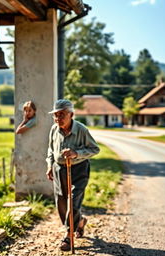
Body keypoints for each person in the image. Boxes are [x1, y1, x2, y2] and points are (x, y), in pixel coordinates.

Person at [46, 99, 100, 251]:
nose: (58, 119)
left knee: (74, 202)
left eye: (61, 115)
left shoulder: (81, 130)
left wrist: (76, 153)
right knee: (61, 203)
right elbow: (50, 150)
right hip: (59, 169)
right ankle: (80, 222)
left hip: (79, 169)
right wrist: (50, 165)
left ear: (72, 115)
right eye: (55, 115)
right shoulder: (53, 129)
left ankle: (69, 236)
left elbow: (95, 149)